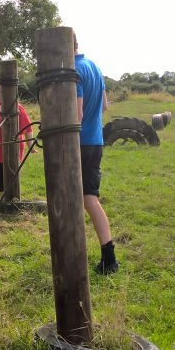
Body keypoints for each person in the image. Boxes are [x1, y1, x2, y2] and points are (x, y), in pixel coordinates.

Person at [74, 34, 119, 274]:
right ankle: (107, 256)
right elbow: (104, 106)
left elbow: (76, 114)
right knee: (89, 198)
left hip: (78, 143)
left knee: (83, 198)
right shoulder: (94, 66)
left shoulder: (73, 71)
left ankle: (107, 259)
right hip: (96, 140)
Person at [0, 87, 35, 194]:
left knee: (7, 181)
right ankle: (2, 203)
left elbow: (27, 127)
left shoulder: (17, 108)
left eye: (1, 92)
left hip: (8, 152)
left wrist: (31, 145)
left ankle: (8, 204)